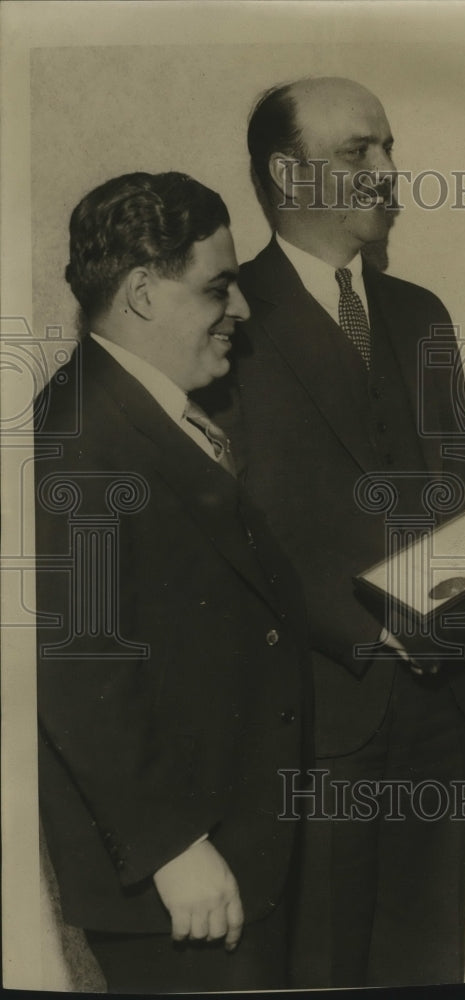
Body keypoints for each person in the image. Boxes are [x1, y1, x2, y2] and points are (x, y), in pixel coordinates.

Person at [196, 77, 465, 988]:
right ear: (286, 174)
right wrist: (362, 628)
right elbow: (228, 530)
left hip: (439, 712)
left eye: (386, 150)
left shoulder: (421, 314)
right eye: (356, 154)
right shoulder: (226, 317)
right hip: (313, 712)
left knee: (428, 962)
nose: (386, 172)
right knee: (322, 964)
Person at [35, 171, 312, 993]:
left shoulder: (143, 411)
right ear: (144, 293)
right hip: (182, 879)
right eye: (218, 288)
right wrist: (172, 847)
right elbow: (78, 672)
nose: (243, 311)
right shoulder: (75, 439)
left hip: (227, 857)